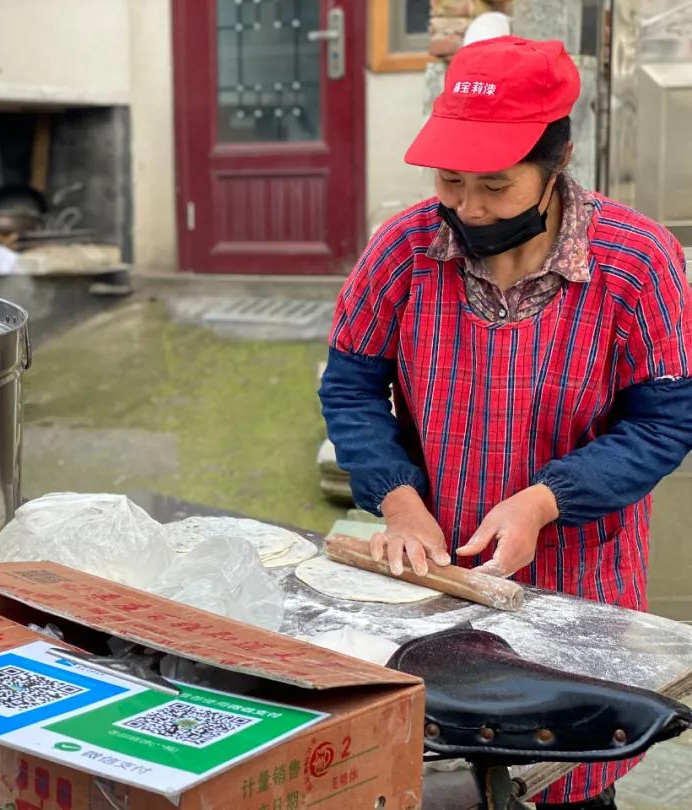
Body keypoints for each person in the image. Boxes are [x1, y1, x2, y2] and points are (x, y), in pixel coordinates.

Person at [319, 35, 692, 809]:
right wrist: (396, 497)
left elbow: (663, 424)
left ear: (554, 164)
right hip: (434, 578)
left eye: (496, 183)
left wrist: (542, 501)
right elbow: (352, 384)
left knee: (564, 777)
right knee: (439, 770)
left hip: (579, 586)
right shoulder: (405, 246)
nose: (469, 207)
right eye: (451, 180)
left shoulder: (638, 262)